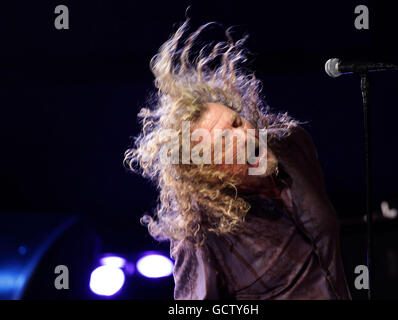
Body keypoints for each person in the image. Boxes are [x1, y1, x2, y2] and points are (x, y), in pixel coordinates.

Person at [124, 18, 351, 300]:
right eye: (223, 142)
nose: (244, 138)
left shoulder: (293, 145)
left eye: (235, 123)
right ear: (206, 173)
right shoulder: (200, 236)